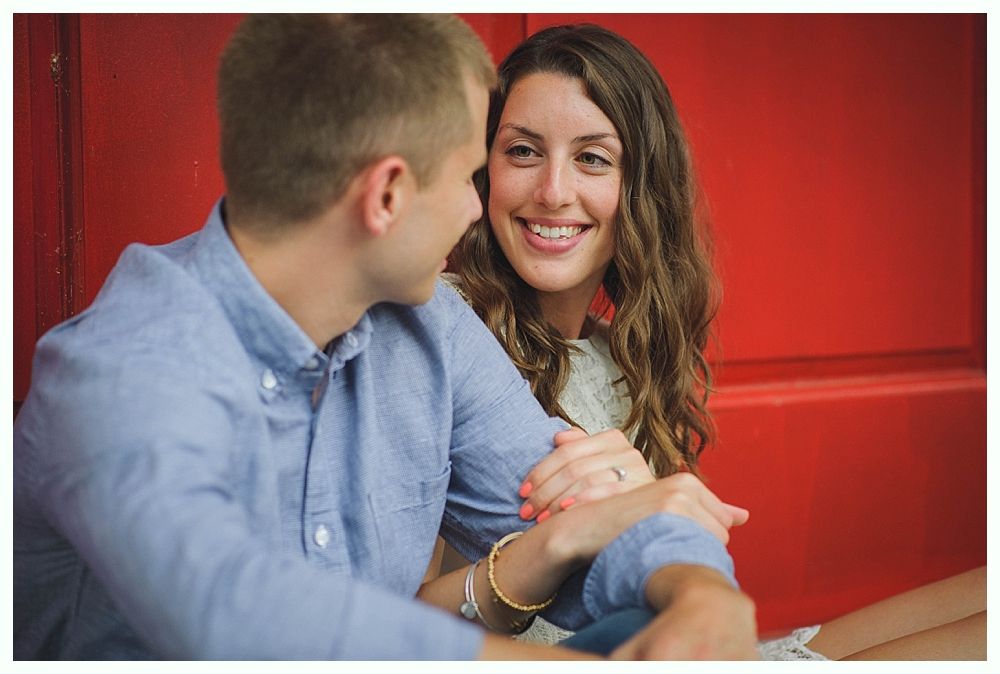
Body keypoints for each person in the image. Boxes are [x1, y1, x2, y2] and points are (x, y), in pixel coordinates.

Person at [13, 14, 761, 660]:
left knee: (648, 617)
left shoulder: (430, 324)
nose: (481, 211)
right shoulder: (124, 368)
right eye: (473, 172)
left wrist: (701, 593)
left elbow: (593, 509)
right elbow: (239, 615)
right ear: (389, 196)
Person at [447, 23, 986, 659]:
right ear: (484, 170)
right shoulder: (451, 335)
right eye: (523, 152)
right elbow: (390, 622)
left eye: (593, 157)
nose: (554, 191)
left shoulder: (619, 353)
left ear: (642, 188)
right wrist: (563, 545)